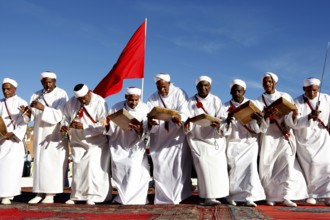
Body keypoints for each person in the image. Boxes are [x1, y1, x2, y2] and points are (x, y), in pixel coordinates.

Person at [255, 72, 308, 207]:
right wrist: (265, 116)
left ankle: (286, 196)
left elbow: (290, 118)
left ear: (275, 83)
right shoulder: (258, 101)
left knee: (287, 165)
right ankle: (270, 196)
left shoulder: (285, 96)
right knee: (268, 167)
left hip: (284, 135)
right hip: (268, 137)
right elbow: (258, 122)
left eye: (270, 81)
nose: (267, 84)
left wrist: (294, 115)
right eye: (265, 82)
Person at [20, 71, 69, 204]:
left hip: (54, 134)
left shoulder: (61, 94)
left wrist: (43, 108)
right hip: (40, 132)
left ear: (55, 81)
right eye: (45, 82)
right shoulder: (36, 94)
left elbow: (60, 115)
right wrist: (27, 113)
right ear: (41, 82)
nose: (47, 84)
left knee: (52, 164)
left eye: (50, 82)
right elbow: (31, 116)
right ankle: (39, 192)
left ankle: (50, 194)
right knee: (40, 163)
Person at [61, 84, 111, 205]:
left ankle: (95, 196)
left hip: (96, 142)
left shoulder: (99, 101)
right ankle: (77, 196)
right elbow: (65, 117)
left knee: (93, 170)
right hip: (78, 142)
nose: (82, 100)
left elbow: (104, 125)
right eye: (80, 99)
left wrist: (84, 126)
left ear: (89, 93)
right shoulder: (72, 102)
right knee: (78, 169)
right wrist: (64, 126)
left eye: (84, 97)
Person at [147, 73, 192, 204]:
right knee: (161, 168)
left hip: (176, 138)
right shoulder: (152, 98)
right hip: (160, 138)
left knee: (177, 168)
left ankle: (179, 197)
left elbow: (185, 111)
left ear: (169, 84)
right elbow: (149, 115)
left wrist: (179, 117)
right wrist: (151, 121)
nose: (162, 90)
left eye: (164, 87)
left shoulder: (179, 93)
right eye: (159, 87)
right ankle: (163, 198)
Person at [183, 76, 229, 206]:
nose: (204, 88)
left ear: (210, 86)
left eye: (206, 85)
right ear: (196, 87)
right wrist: (187, 123)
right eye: (201, 86)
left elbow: (223, 118)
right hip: (198, 140)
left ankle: (221, 195)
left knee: (219, 169)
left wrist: (218, 123)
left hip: (215, 140)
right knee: (204, 165)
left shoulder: (216, 100)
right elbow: (185, 118)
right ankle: (207, 196)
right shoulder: (189, 102)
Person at [104, 87, 150, 205]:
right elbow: (110, 128)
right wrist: (107, 124)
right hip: (119, 144)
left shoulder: (145, 108)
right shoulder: (116, 107)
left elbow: (147, 130)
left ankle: (135, 199)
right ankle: (123, 196)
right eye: (131, 100)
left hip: (136, 145)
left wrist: (140, 129)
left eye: (136, 100)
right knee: (120, 172)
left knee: (136, 170)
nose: (134, 103)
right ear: (126, 97)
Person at [223, 79, 266, 207]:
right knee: (235, 169)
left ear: (244, 91)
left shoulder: (253, 104)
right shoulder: (224, 106)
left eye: (239, 90)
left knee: (251, 168)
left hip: (250, 142)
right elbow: (222, 128)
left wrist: (259, 121)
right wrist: (228, 120)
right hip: (233, 142)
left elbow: (260, 127)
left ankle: (249, 197)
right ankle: (233, 196)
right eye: (234, 90)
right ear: (230, 91)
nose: (237, 93)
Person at [291, 77, 330, 205]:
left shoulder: (326, 99)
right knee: (312, 165)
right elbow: (293, 123)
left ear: (318, 89)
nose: (311, 93)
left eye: (314, 90)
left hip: (322, 137)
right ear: (304, 89)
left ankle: (327, 194)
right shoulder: (297, 102)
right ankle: (312, 193)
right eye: (308, 90)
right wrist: (308, 117)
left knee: (326, 164)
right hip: (305, 138)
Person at [0, 78, 28, 205]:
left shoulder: (21, 102)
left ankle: (7, 195)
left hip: (13, 142)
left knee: (11, 169)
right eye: (3, 89)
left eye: (8, 88)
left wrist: (14, 133)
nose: (5, 91)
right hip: (1, 141)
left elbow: (24, 122)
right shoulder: (0, 103)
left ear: (15, 89)